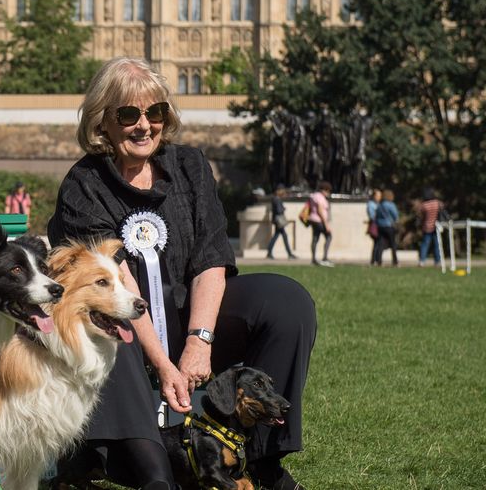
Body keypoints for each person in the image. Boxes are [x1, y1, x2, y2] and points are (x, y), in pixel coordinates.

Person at [47, 57, 316, 490]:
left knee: (286, 302)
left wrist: (199, 342)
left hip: (189, 315)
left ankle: (262, 460)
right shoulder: (84, 184)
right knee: (108, 326)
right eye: (128, 115)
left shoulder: (190, 165)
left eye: (155, 112)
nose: (144, 125)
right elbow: (118, 284)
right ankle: (157, 474)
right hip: (127, 327)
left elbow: (211, 257)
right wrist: (164, 364)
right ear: (103, 122)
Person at [307, 181, 334, 267]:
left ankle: (313, 259)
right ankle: (325, 258)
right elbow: (320, 211)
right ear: (324, 190)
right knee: (329, 236)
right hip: (319, 221)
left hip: (313, 220)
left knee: (315, 238)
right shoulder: (320, 198)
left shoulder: (313, 196)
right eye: (328, 191)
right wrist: (326, 224)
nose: (328, 193)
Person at [266, 184, 296, 260]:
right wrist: (283, 208)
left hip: (276, 220)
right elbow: (279, 210)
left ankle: (270, 252)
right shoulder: (277, 199)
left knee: (277, 236)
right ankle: (289, 254)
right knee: (282, 237)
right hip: (279, 220)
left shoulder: (274, 199)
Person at [417, 187, 444, 267]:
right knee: (437, 244)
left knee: (425, 244)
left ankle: (422, 260)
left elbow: (421, 216)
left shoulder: (424, 205)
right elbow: (443, 209)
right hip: (437, 226)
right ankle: (437, 261)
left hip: (427, 227)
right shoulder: (438, 203)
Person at [372, 189, 400, 267]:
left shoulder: (379, 205)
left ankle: (379, 261)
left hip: (380, 226)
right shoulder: (391, 205)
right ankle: (395, 261)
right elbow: (395, 215)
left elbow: (376, 216)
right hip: (389, 226)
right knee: (393, 244)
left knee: (380, 244)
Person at [366, 188, 381, 263]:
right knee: (376, 243)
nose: (379, 197)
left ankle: (375, 259)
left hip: (378, 225)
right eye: (378, 196)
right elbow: (372, 216)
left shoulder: (378, 204)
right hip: (374, 226)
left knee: (378, 243)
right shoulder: (371, 204)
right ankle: (374, 260)